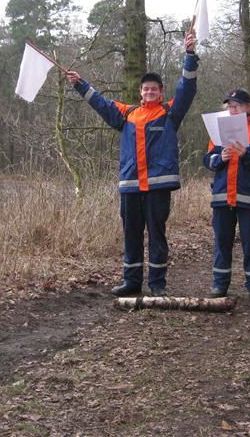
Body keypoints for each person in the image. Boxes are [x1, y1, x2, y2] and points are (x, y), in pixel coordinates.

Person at [66, 30, 198, 297]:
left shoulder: (170, 113)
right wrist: (80, 84)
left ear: (160, 93)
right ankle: (132, 281)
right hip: (130, 186)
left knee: (157, 235)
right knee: (131, 235)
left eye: (154, 89)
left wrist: (190, 55)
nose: (150, 91)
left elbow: (187, 89)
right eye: (146, 88)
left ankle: (157, 284)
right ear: (140, 92)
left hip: (158, 187)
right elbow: (101, 104)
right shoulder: (126, 114)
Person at [203, 88, 250, 301]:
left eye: (236, 106)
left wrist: (247, 155)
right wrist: (220, 158)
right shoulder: (217, 131)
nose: (232, 109)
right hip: (222, 197)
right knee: (222, 242)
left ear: (248, 108)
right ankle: (219, 285)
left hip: (249, 199)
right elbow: (208, 160)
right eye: (230, 106)